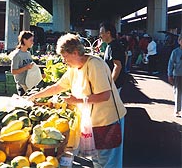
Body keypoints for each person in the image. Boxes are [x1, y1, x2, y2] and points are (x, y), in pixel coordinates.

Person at [28, 33, 127, 168]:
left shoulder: (95, 65)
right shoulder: (74, 69)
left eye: (65, 57)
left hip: (108, 121)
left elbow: (105, 96)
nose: (64, 61)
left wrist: (77, 100)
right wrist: (34, 96)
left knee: (108, 162)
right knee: (97, 160)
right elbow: (58, 86)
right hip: (93, 122)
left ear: (75, 53)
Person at [100, 22, 126, 93]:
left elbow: (117, 66)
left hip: (115, 85)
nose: (100, 35)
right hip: (115, 83)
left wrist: (110, 84)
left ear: (108, 33)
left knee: (113, 103)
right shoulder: (111, 45)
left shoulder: (114, 46)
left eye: (101, 33)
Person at [10, 31, 35, 96]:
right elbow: (13, 71)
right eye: (31, 40)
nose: (32, 42)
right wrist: (26, 67)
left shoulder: (28, 53)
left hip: (30, 85)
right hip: (22, 87)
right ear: (24, 40)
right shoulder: (17, 55)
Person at [167, 33, 182, 118]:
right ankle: (177, 110)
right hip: (178, 75)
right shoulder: (175, 52)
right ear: (179, 41)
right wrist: (169, 74)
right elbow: (170, 63)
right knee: (178, 93)